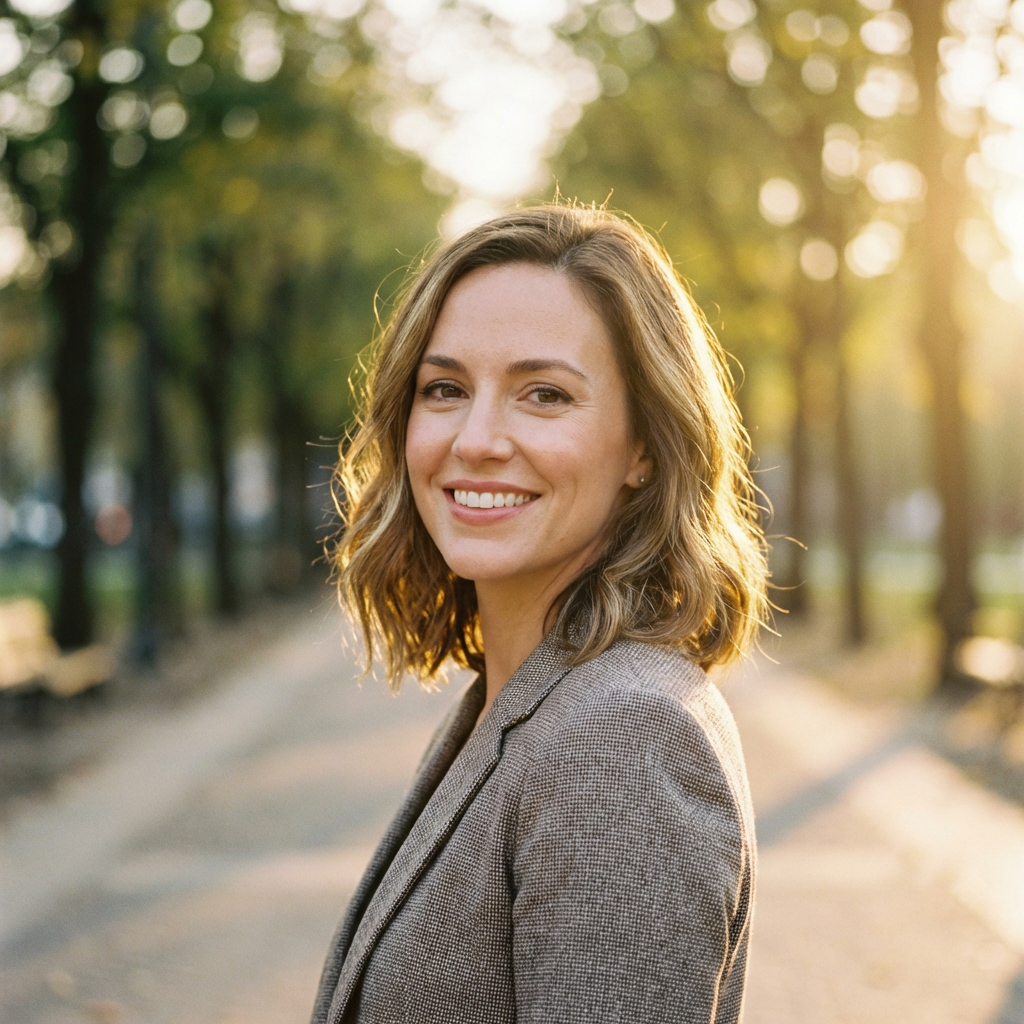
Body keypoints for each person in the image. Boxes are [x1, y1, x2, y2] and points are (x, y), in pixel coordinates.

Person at [311, 204, 769, 1024]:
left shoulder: (622, 740)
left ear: (645, 449)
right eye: (444, 388)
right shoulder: (523, 695)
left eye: (545, 394)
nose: (477, 438)